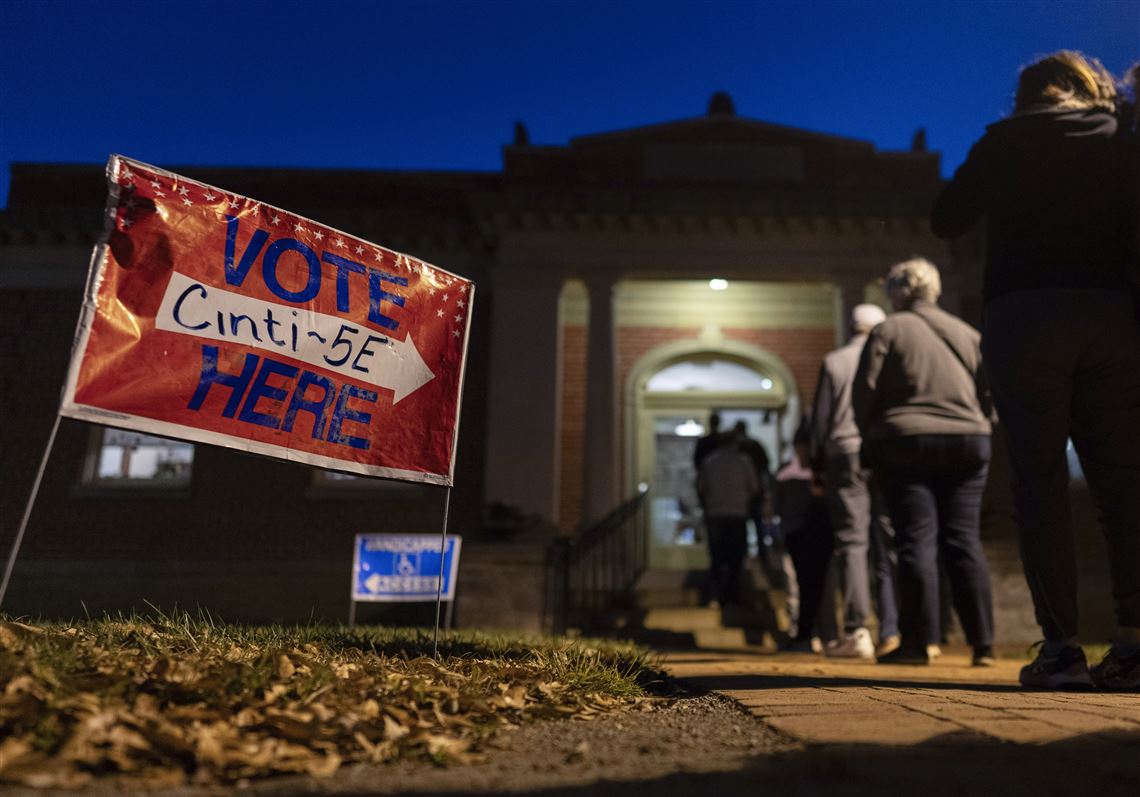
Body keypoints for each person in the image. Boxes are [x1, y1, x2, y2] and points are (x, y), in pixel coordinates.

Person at [932, 51, 1140, 690]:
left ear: (1026, 96)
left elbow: (948, 217)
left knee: (1038, 480)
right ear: (1089, 87)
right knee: (1122, 482)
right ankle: (1134, 646)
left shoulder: (1006, 139)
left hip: (1024, 314)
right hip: (1111, 313)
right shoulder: (1120, 137)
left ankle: (1062, 649)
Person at [853, 258, 996, 667]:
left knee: (916, 539)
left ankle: (917, 643)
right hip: (969, 440)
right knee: (964, 539)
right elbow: (989, 388)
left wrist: (868, 433)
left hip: (905, 440)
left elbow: (865, 390)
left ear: (899, 292)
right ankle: (983, 644)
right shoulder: (968, 333)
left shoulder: (888, 329)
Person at [810, 303, 899, 659]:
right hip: (886, 451)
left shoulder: (835, 361)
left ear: (852, 326)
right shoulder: (892, 358)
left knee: (853, 541)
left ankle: (858, 629)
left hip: (845, 453)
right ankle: (893, 627)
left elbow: (821, 419)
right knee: (888, 541)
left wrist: (817, 464)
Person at [776, 420, 834, 652]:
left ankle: (812, 633)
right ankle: (808, 632)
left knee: (814, 584)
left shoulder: (815, 474)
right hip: (799, 532)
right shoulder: (790, 474)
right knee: (806, 583)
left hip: (811, 532)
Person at [697, 429, 760, 607]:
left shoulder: (710, 461)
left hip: (715, 513)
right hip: (737, 514)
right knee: (735, 558)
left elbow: (701, 487)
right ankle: (731, 596)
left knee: (717, 558)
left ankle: (715, 596)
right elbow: (754, 487)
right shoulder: (744, 461)